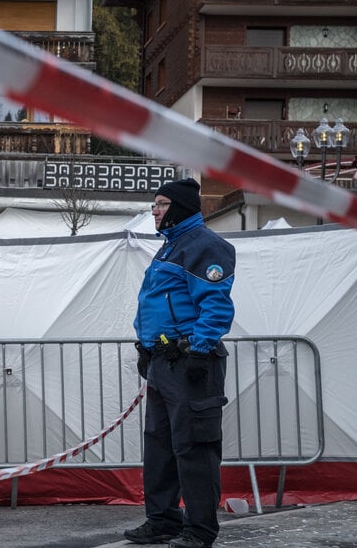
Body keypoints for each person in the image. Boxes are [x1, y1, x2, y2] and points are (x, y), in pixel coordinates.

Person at [124, 178, 235, 548]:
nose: (153, 211)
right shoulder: (169, 249)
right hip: (162, 360)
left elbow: (215, 305)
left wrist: (201, 351)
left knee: (194, 447)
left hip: (190, 362)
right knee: (159, 446)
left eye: (160, 204)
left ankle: (200, 530)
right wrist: (146, 346)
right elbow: (155, 304)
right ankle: (162, 520)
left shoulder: (207, 246)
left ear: (181, 208)